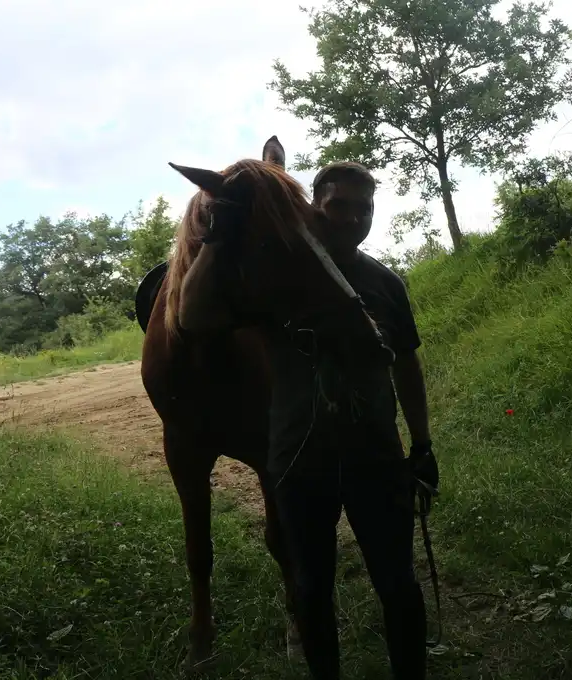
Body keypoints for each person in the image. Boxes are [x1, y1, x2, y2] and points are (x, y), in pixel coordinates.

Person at [179, 161, 439, 680]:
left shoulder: (386, 283)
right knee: (312, 588)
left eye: (363, 209)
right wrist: (215, 235)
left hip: (377, 460)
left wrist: (424, 445)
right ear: (314, 208)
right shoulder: (278, 277)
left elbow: (406, 365)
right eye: (338, 205)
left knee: (398, 585)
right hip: (299, 466)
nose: (351, 218)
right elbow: (193, 317)